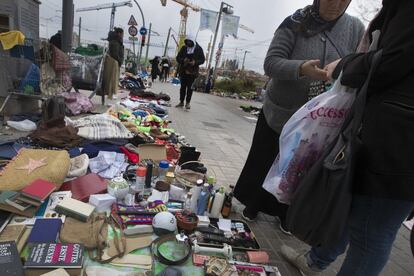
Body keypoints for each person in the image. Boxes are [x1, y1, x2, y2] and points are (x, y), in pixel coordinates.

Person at [282, 1, 414, 275]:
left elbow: (389, 63)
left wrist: (346, 65)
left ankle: (315, 261)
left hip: (397, 147)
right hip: (385, 137)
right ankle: (314, 261)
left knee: (371, 235)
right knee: (350, 203)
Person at [234, 0, 364, 231]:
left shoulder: (355, 28)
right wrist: (301, 68)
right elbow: (271, 63)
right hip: (281, 111)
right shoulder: (295, 23)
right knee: (265, 159)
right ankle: (253, 204)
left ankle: (286, 214)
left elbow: (360, 63)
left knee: (300, 169)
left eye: (343, 0)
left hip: (320, 120)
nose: (336, 5)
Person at [176, 35, 205, 109]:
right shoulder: (184, 48)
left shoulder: (198, 49)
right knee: (182, 87)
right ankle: (181, 102)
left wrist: (195, 62)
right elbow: (178, 58)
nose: (188, 43)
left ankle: (188, 103)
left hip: (192, 72)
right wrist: (183, 60)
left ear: (192, 41)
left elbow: (202, 60)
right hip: (183, 71)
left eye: (190, 41)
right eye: (187, 41)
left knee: (190, 88)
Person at [102, 27, 124, 99]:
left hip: (114, 62)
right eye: (122, 34)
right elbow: (115, 54)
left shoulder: (116, 41)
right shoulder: (116, 42)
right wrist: (119, 60)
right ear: (119, 33)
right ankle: (110, 94)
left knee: (112, 79)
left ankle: (110, 94)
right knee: (112, 79)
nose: (123, 35)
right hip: (114, 63)